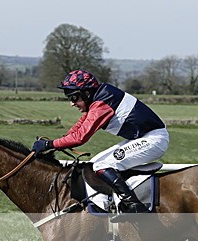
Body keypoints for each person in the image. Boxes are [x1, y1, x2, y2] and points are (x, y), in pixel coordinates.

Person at [32, 69, 169, 220]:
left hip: (154, 140)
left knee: (101, 165)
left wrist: (49, 145)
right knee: (93, 164)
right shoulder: (99, 98)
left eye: (74, 97)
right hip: (144, 137)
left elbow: (80, 138)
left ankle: (133, 205)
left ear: (86, 93)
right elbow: (79, 126)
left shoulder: (102, 104)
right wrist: (59, 142)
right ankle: (108, 203)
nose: (72, 103)